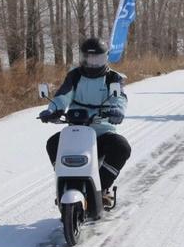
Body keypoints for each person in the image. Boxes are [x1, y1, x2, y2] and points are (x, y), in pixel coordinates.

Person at [39, 37, 131, 206]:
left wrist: (117, 110)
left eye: (97, 59)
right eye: (89, 59)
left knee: (121, 147)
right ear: (82, 58)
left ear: (105, 58)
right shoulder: (74, 76)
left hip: (103, 130)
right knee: (53, 143)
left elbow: (120, 98)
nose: (93, 63)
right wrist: (52, 110)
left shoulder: (113, 78)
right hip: (76, 129)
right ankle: (66, 181)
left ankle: (102, 188)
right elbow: (63, 96)